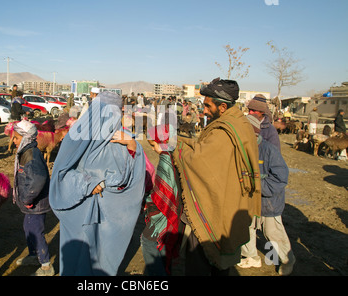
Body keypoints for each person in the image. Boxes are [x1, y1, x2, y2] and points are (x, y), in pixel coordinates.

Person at [49, 91, 146, 276]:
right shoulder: (77, 136)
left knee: (102, 260)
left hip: (110, 216)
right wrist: (88, 183)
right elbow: (61, 173)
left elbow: (131, 176)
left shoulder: (122, 137)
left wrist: (134, 147)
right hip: (82, 210)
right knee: (78, 259)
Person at [172, 77, 262, 275]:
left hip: (217, 210)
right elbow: (208, 151)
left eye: (207, 106)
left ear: (222, 107)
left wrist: (176, 148)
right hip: (231, 203)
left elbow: (199, 162)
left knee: (201, 264)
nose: (204, 110)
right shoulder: (238, 122)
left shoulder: (223, 132)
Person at [238, 114, 295, 276]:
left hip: (269, 202)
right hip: (249, 200)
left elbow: (280, 178)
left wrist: (256, 185)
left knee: (272, 233)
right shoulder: (242, 150)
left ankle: (286, 260)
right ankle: (251, 257)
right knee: (247, 227)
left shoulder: (269, 150)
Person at [12, 120, 55, 276]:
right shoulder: (26, 152)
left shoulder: (31, 155)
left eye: (16, 138)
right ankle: (33, 255)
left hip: (35, 203)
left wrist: (28, 198)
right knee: (28, 228)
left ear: (24, 138)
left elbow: (38, 179)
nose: (14, 141)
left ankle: (46, 265)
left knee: (36, 231)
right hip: (31, 202)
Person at [142, 125, 182, 276]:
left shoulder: (165, 160)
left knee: (148, 243)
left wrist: (148, 199)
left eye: (153, 145)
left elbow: (162, 194)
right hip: (173, 214)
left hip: (163, 214)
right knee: (164, 247)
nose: (152, 149)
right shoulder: (174, 156)